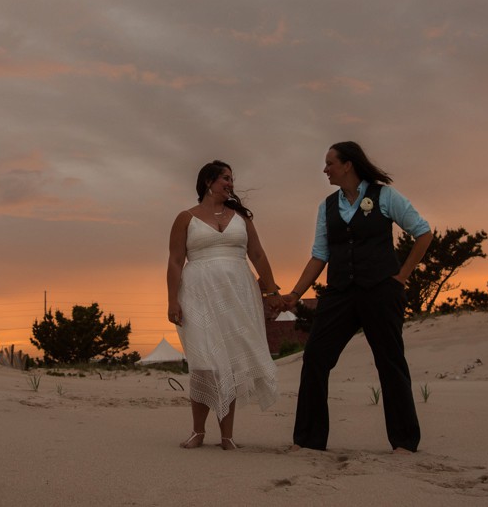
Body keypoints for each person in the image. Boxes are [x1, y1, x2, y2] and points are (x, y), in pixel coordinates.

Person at [283, 142, 433, 453]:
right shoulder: (326, 207)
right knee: (315, 357)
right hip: (339, 293)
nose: (325, 169)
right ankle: (309, 440)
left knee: (390, 362)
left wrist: (401, 277)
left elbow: (423, 232)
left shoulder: (384, 196)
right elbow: (319, 255)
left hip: (380, 290)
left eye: (330, 163)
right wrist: (296, 293)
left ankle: (404, 441)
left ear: (348, 164)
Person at [166, 160, 285, 450]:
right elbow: (174, 260)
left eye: (231, 178)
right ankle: (198, 431)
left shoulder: (241, 218)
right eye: (225, 178)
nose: (231, 183)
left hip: (238, 295)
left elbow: (257, 254)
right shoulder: (186, 217)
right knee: (205, 362)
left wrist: (272, 292)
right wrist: (171, 300)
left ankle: (227, 436)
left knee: (229, 362)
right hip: (198, 294)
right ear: (208, 181)